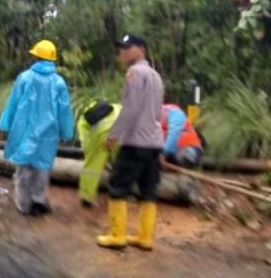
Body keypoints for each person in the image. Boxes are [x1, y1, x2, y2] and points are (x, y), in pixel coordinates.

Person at [97, 34, 163, 251]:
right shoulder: (155, 75)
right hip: (153, 142)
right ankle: (145, 237)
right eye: (121, 48)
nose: (123, 52)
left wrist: (113, 135)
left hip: (135, 142)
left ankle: (117, 236)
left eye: (128, 47)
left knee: (118, 185)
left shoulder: (134, 73)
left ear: (141, 49)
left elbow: (131, 109)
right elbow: (158, 112)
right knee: (148, 189)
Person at [0, 40, 74, 217]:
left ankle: (24, 205)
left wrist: (5, 124)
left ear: (36, 56)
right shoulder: (59, 82)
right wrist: (66, 132)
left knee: (24, 169)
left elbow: (13, 103)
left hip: (24, 131)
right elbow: (64, 110)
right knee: (42, 168)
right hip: (48, 133)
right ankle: (38, 201)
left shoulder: (25, 78)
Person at [77, 100, 121, 207]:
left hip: (99, 135)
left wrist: (89, 152)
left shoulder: (86, 117)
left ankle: (86, 197)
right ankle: (118, 194)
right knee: (119, 164)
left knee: (92, 168)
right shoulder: (119, 108)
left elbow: (84, 139)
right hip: (118, 133)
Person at [161, 103, 203, 169]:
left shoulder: (174, 112)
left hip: (190, 149)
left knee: (181, 157)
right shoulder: (148, 116)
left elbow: (174, 135)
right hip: (171, 152)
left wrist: (163, 153)